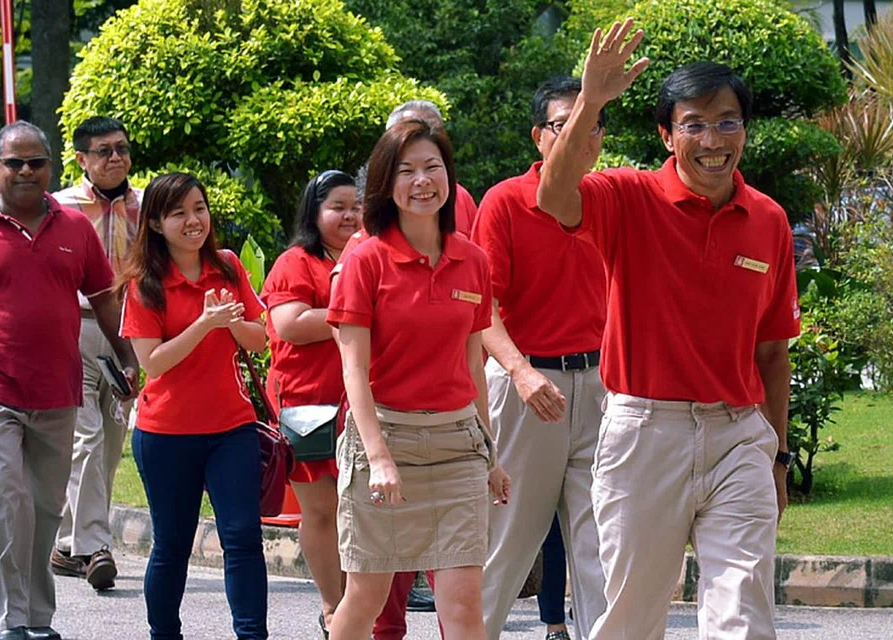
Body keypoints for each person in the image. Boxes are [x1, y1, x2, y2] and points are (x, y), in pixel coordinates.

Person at [536, 22, 800, 640]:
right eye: (695, 124)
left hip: (739, 436)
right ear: (666, 134)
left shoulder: (768, 220)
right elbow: (554, 194)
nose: (714, 140)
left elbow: (772, 353)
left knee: (743, 614)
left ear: (745, 129)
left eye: (728, 121)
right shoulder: (628, 197)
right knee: (628, 619)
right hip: (644, 434)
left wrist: (779, 459)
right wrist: (594, 99)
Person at [326, 119, 510, 640]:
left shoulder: (472, 261)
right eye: (406, 170)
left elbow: (473, 367)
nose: (422, 180)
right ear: (387, 184)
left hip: (457, 448)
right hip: (385, 441)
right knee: (365, 597)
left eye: (432, 167)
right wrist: (379, 455)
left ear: (449, 177)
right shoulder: (364, 261)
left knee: (464, 604)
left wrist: (491, 455)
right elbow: (353, 371)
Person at [0, 121, 138, 640]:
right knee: (4, 500)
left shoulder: (74, 227)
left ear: (50, 167)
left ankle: (35, 619)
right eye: (15, 163)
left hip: (56, 389)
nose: (26, 171)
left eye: (35, 162)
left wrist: (127, 359)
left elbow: (104, 297)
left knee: (46, 508)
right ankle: (6, 620)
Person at [472, 75, 608, 640]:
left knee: (604, 550)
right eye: (564, 124)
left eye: (593, 123)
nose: (581, 135)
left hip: (603, 386)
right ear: (538, 137)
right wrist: (521, 373)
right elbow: (483, 307)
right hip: (527, 387)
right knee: (504, 544)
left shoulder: (612, 200)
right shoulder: (505, 202)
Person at [118, 172, 269, 640]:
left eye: (199, 208)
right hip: (165, 435)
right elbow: (154, 364)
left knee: (243, 537)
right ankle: (164, 633)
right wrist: (205, 324)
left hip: (232, 428)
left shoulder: (226, 266)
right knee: (173, 545)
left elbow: (260, 338)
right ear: (157, 224)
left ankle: (252, 635)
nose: (192, 220)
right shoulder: (145, 284)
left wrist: (231, 323)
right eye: (178, 212)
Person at [261, 169, 360, 638]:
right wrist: (356, 315)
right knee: (321, 512)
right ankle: (332, 608)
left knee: (360, 510)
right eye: (338, 206)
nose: (349, 215)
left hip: (364, 403)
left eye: (356, 205)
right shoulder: (295, 262)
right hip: (309, 404)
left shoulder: (373, 254)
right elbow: (291, 325)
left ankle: (359, 609)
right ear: (315, 212)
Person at [51, 116, 143, 591]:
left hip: (128, 334)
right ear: (82, 159)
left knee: (109, 442)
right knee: (84, 437)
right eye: (103, 151)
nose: (115, 159)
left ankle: (66, 546)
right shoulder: (59, 208)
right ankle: (93, 548)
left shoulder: (146, 206)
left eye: (122, 149)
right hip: (75, 328)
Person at [386, 100, 478, 236]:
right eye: (413, 132)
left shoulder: (462, 198)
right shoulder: (367, 252)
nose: (422, 180)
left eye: (433, 131)